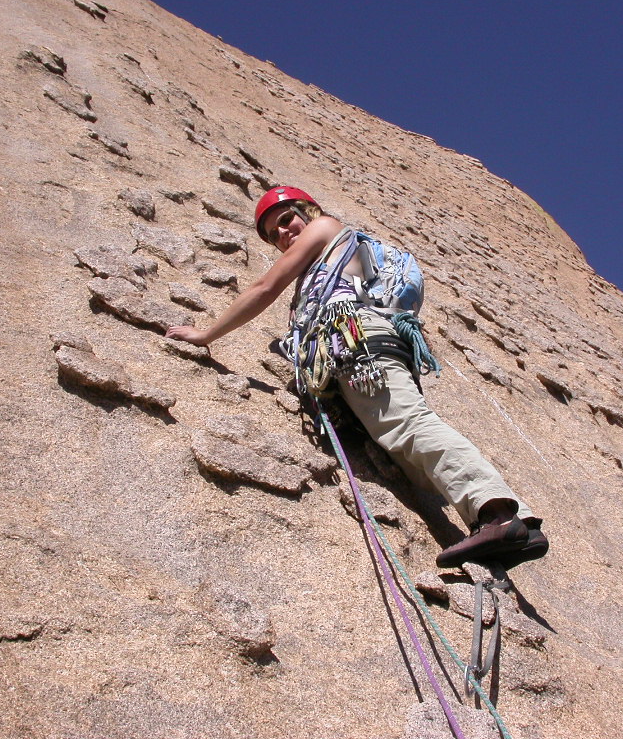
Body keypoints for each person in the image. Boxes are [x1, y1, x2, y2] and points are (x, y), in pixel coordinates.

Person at [167, 186, 547, 569]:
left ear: (307, 211)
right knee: (405, 444)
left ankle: (498, 515)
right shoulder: (329, 261)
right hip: (371, 343)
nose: (283, 233)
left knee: (408, 425)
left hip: (359, 343)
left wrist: (206, 334)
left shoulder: (325, 229)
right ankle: (518, 527)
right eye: (272, 233)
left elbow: (264, 288)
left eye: (286, 219)